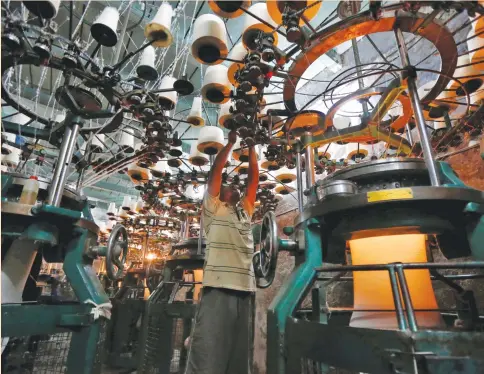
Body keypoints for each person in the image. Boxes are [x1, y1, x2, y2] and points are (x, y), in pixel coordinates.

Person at [185, 130, 259, 374]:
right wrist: (229, 144)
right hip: (218, 287)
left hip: (246, 289)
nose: (234, 186)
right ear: (220, 194)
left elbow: (253, 181)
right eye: (229, 185)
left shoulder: (244, 212)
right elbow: (216, 171)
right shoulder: (213, 209)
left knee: (239, 358)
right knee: (207, 354)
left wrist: (251, 150)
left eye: (235, 185)